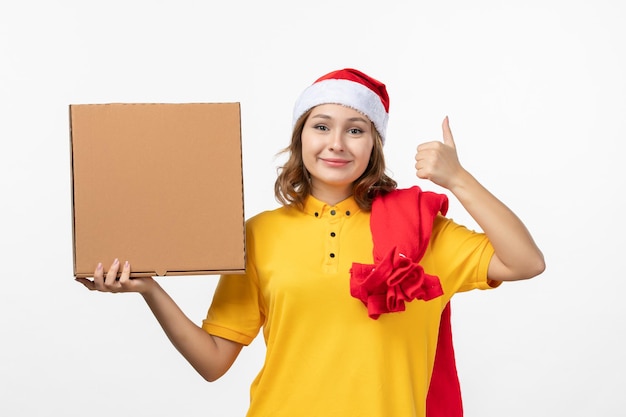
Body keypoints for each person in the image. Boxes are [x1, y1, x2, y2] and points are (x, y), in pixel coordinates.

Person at [76, 68, 545, 416]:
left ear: (374, 145)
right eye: (321, 126)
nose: (336, 143)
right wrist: (150, 290)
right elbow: (214, 361)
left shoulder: (423, 232)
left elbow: (525, 262)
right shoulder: (260, 233)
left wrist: (458, 180)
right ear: (301, 137)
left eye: (355, 130)